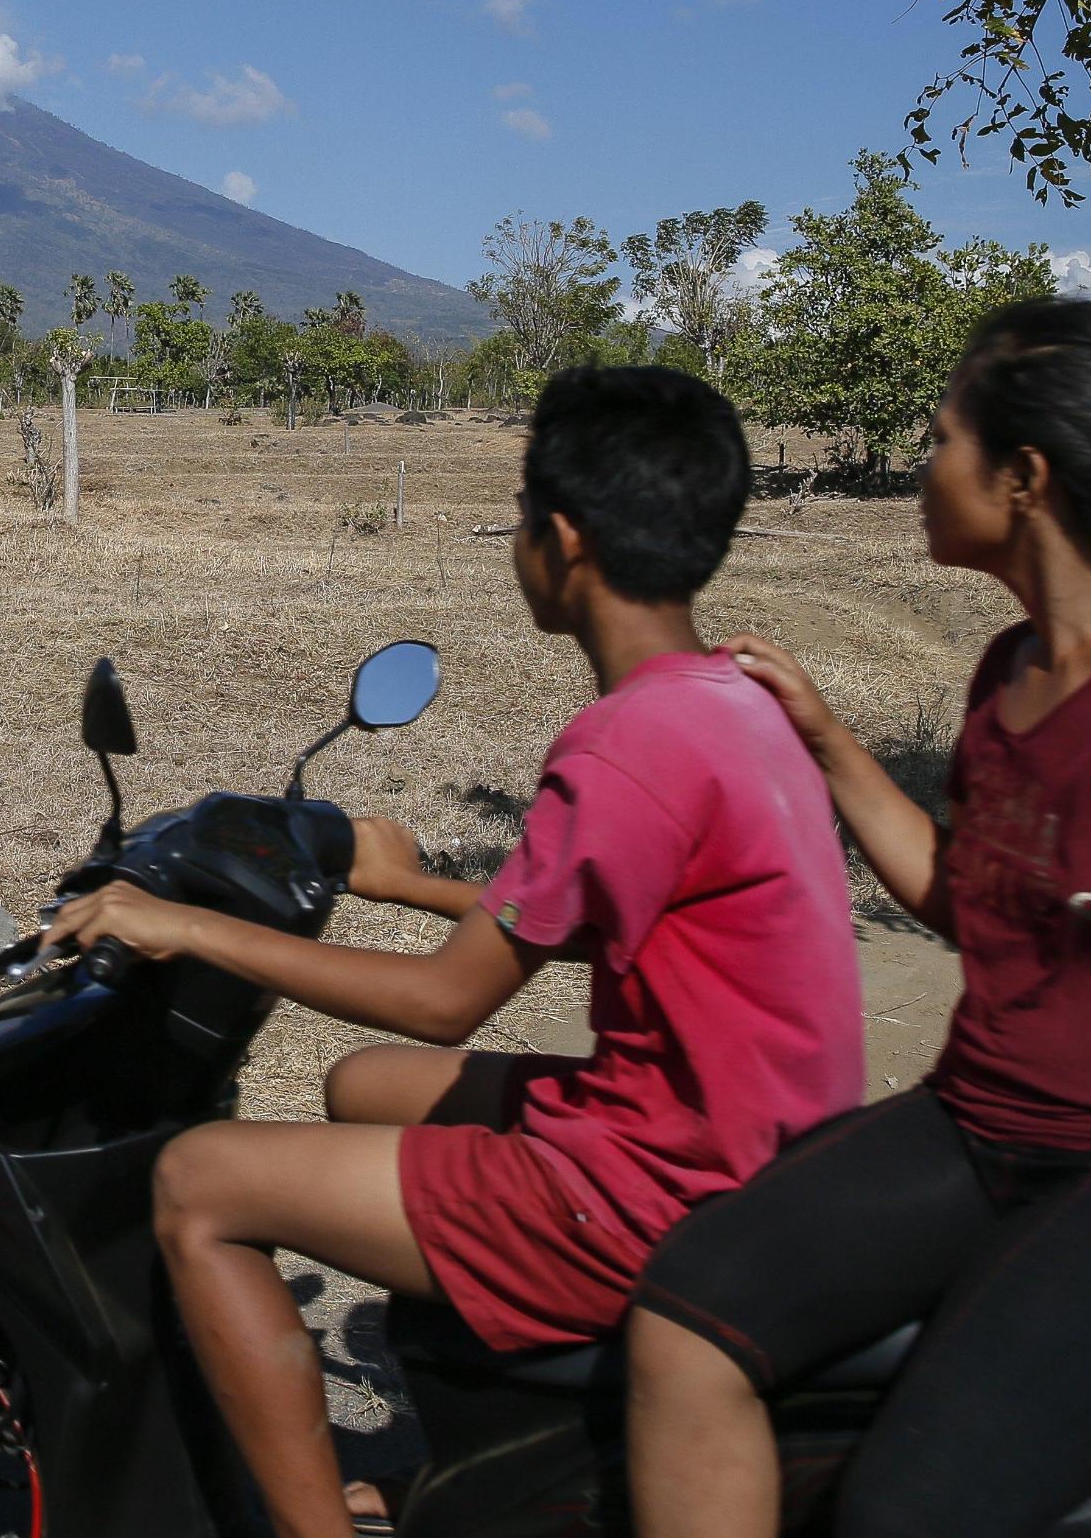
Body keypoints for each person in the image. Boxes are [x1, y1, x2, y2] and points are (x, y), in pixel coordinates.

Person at [42, 366, 866, 1538]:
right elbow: (616, 916)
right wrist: (413, 880)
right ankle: (484, 1451)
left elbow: (442, 1003)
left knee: (198, 1185)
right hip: (758, 1144)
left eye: (525, 518)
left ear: (564, 540)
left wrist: (183, 922)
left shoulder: (623, 742)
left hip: (658, 1186)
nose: (520, 543)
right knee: (358, 1088)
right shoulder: (733, 703)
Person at [623, 298, 1091, 1538]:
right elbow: (968, 899)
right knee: (682, 1321)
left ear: (1024, 477)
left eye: (941, 440)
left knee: (910, 1511)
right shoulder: (1009, 671)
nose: (924, 468)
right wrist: (825, 740)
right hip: (975, 1127)